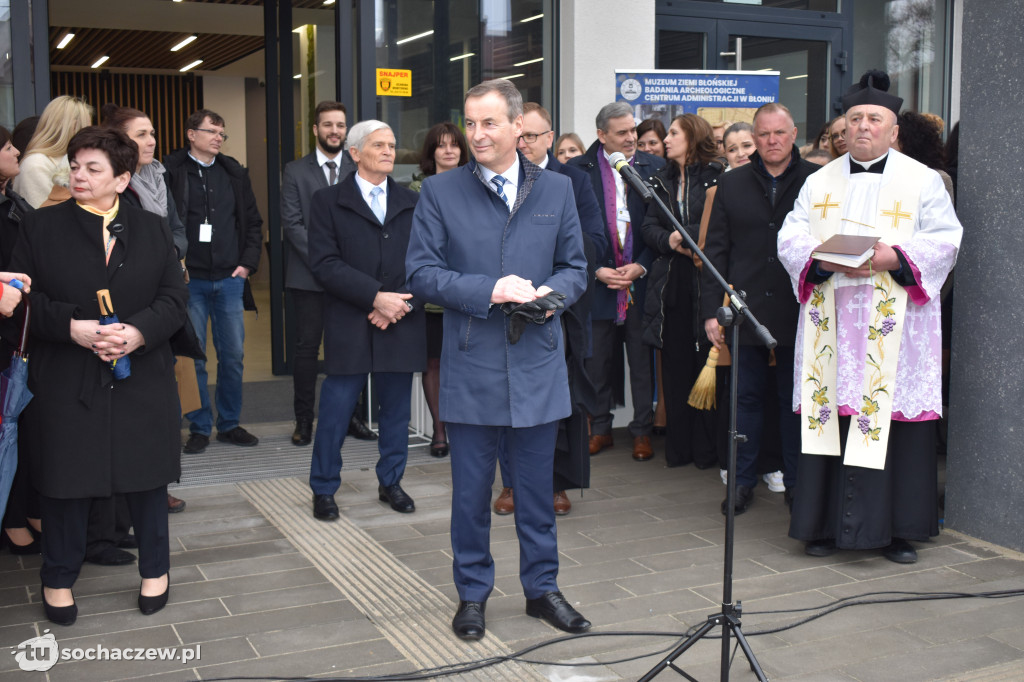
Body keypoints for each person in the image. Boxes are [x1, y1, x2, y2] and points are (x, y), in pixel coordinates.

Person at [406, 79, 590, 641]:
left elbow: (576, 268)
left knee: (536, 491)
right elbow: (421, 273)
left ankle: (542, 590)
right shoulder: (439, 193)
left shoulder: (557, 190)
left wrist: (544, 298)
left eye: (490, 123)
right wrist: (491, 290)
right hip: (472, 364)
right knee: (471, 495)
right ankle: (472, 594)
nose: (478, 134)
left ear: (519, 128)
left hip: (536, 362)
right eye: (471, 122)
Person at [778, 70, 962, 564]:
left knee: (894, 422)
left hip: (894, 331)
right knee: (830, 419)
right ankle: (819, 525)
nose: (862, 127)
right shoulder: (818, 182)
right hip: (832, 328)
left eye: (873, 119)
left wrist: (897, 257)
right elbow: (791, 236)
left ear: (893, 130)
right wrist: (816, 258)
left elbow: (946, 238)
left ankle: (896, 531)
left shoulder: (922, 181)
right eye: (854, 118)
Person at [10, 126, 188, 625]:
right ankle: (58, 577)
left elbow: (174, 301)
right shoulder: (41, 227)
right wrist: (71, 327)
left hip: (141, 375)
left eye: (93, 168)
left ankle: (156, 572)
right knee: (65, 480)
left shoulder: (151, 228)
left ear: (122, 178)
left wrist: (137, 332)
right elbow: (23, 301)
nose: (78, 175)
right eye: (75, 165)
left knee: (147, 478)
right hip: (68, 375)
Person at [700, 103, 818, 515]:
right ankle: (742, 481)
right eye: (764, 134)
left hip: (799, 309)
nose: (772, 141)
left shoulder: (815, 181)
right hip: (744, 310)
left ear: (793, 134)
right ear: (756, 136)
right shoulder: (731, 184)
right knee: (743, 400)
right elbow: (714, 252)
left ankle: (798, 486)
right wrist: (712, 309)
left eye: (779, 133)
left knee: (794, 401)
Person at [493, 102, 606, 517]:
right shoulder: (495, 178)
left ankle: (556, 485)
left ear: (549, 138)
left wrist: (549, 260)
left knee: (559, 403)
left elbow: (595, 239)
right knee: (507, 401)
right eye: (519, 136)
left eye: (533, 137)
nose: (524, 144)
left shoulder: (574, 181)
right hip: (505, 306)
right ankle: (510, 484)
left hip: (562, 308)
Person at [307, 120, 424, 520]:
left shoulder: (413, 201)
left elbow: (427, 262)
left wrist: (398, 304)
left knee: (396, 413)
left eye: (392, 144)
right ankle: (323, 488)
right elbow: (323, 264)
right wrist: (375, 298)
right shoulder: (327, 201)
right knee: (337, 410)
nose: (389, 151)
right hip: (350, 319)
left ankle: (391, 482)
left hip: (401, 320)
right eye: (379, 145)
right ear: (355, 153)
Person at [569, 101, 665, 461]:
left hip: (639, 282)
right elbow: (571, 230)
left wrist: (640, 265)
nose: (632, 138)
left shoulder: (653, 167)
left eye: (633, 130)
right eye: (622, 132)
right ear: (601, 135)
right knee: (597, 362)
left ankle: (641, 431)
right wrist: (595, 269)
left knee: (640, 363)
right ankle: (601, 428)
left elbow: (658, 227)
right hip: (598, 282)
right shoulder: (577, 171)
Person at [164, 109, 263, 454]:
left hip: (229, 278)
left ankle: (230, 424)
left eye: (222, 133)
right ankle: (200, 427)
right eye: (212, 132)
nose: (219, 138)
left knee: (233, 356)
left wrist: (247, 264)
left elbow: (252, 222)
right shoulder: (171, 172)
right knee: (194, 359)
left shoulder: (233, 173)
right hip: (189, 280)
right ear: (191, 134)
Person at [640, 114, 723, 469]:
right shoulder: (659, 180)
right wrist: (670, 239)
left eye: (674, 133)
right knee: (675, 366)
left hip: (706, 284)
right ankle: (680, 447)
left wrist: (685, 233)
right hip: (671, 285)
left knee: (708, 363)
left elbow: (716, 223)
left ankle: (707, 450)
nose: (666, 139)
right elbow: (648, 227)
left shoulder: (719, 177)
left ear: (693, 137)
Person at [280, 101, 352, 447]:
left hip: (350, 278)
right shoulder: (295, 171)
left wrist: (344, 268)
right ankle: (304, 420)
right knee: (307, 350)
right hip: (308, 277)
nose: (334, 131)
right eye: (327, 125)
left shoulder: (357, 167)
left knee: (349, 349)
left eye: (339, 125)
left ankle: (350, 418)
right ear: (315, 130)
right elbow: (292, 226)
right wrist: (328, 263)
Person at [407, 122, 470, 458]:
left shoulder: (476, 185)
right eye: (441, 145)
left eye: (454, 145)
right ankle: (439, 430)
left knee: (465, 361)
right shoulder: (416, 190)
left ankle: (466, 426)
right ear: (431, 152)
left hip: (467, 291)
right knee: (433, 363)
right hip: (432, 294)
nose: (448, 151)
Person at [0, 126, 41, 555]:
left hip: (18, 334)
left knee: (19, 430)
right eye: (6, 146)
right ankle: (13, 520)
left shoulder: (13, 200)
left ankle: (23, 511)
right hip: (5, 330)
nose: (14, 151)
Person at [12, 96, 93, 208]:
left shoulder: (68, 159)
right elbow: (44, 218)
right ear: (73, 127)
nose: (91, 134)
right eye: (87, 128)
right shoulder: (35, 165)